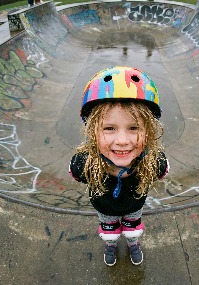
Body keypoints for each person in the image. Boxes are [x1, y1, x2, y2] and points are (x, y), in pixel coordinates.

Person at [69, 66, 169, 266]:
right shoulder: (84, 164)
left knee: (133, 226)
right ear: (92, 131)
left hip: (134, 206)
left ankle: (133, 243)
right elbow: (76, 173)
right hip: (104, 208)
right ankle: (111, 244)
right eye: (109, 129)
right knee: (109, 229)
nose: (122, 141)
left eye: (133, 128)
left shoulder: (154, 162)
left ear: (148, 131)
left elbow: (162, 170)